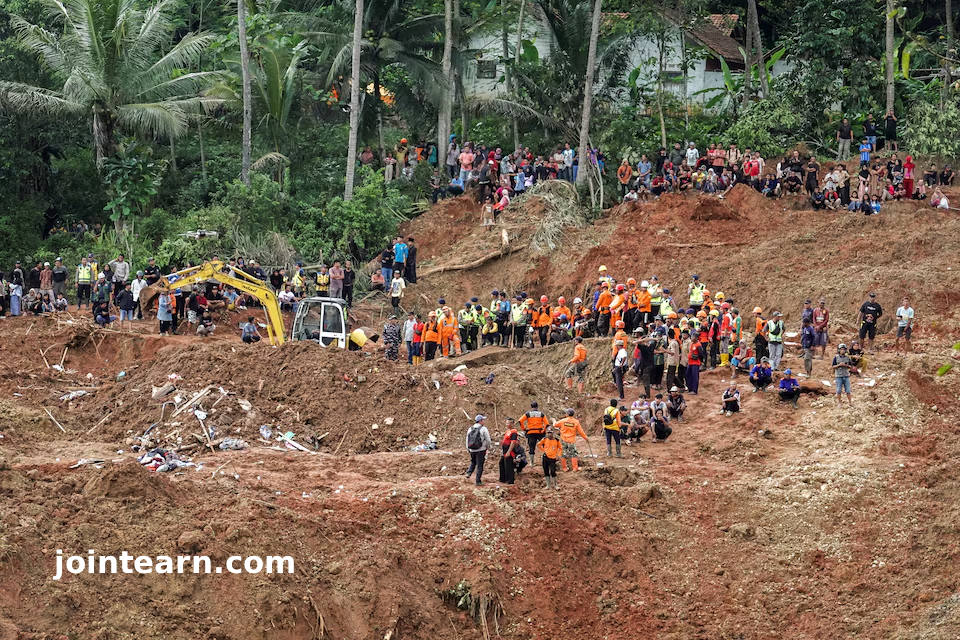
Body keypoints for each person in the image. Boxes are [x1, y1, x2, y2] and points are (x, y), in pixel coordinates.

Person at [465, 415, 491, 486]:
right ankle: (478, 481)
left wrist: (468, 448)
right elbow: (488, 440)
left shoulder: (470, 428)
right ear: (480, 421)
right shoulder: (484, 429)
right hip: (481, 449)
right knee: (480, 465)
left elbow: (467, 439)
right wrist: (488, 447)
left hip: (472, 449)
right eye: (483, 420)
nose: (483, 421)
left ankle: (469, 472)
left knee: (473, 461)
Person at [499, 418, 520, 484]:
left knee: (508, 466)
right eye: (507, 423)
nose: (507, 424)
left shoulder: (514, 432)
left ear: (512, 424)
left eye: (509, 423)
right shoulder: (508, 431)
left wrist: (509, 452)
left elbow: (513, 442)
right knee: (501, 463)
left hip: (509, 451)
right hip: (505, 450)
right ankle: (503, 478)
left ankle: (510, 481)